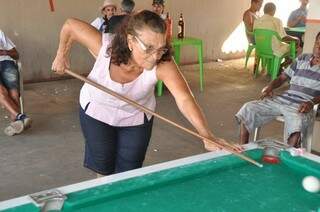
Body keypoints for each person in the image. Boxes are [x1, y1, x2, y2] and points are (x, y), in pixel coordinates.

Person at [52, 11, 240, 176]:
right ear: (130, 40)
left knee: (130, 172)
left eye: (161, 48)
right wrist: (62, 54)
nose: (155, 56)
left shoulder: (163, 64)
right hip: (97, 111)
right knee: (104, 169)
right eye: (149, 48)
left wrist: (206, 135)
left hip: (135, 118)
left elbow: (184, 98)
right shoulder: (104, 48)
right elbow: (70, 25)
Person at [236, 31, 320, 148]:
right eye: (317, 43)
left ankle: (288, 158)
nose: (318, 48)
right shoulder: (302, 58)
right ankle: (242, 150)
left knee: (298, 121)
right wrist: (270, 86)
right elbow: (282, 77)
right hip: (283, 99)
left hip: (302, 105)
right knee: (248, 109)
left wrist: (311, 103)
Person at [0, 30, 31, 136]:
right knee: (1, 91)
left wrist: (3, 52)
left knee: (14, 94)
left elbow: (16, 55)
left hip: (6, 63)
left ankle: (16, 124)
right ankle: (22, 118)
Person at [254, 3, 300, 71]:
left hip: (260, 49)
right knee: (291, 46)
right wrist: (296, 39)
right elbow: (283, 37)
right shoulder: (276, 20)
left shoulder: (256, 21)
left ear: (264, 10)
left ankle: (277, 66)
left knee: (284, 45)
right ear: (274, 11)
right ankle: (280, 66)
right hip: (273, 50)